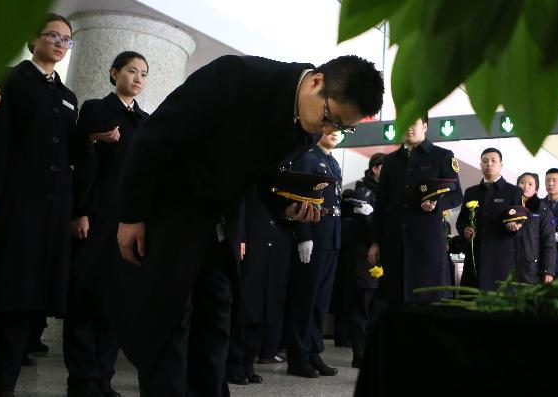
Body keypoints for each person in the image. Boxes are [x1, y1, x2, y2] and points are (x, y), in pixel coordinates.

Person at [111, 54, 384, 396]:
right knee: (169, 326)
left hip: (221, 226)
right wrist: (132, 214)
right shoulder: (235, 77)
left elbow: (261, 178)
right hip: (171, 215)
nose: (328, 131)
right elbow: (154, 137)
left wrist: (288, 207)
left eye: (342, 128)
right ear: (317, 81)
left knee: (215, 326)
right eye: (330, 118)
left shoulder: (305, 127)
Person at [0, 14, 78, 396]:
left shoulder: (68, 96)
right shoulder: (11, 79)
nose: (60, 43)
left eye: (66, 39)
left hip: (49, 215)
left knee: (26, 306)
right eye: (53, 35)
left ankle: (5, 388)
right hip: (11, 206)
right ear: (34, 38)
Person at [64, 51, 150, 397]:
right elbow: (85, 164)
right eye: (131, 71)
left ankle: (104, 377)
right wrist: (81, 210)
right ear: (114, 73)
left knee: (114, 302)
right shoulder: (97, 109)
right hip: (97, 216)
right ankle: (82, 380)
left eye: (143, 73)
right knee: (85, 298)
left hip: (126, 223)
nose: (138, 78)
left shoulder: (144, 121)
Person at [367, 116, 462, 306]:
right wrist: (375, 242)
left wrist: (436, 204)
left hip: (427, 242)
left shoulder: (442, 156)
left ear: (425, 126)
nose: (408, 127)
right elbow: (381, 204)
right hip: (394, 240)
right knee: (393, 299)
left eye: (414, 122)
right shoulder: (391, 160)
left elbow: (456, 195)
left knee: (427, 299)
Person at [283, 131, 343, 379]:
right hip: (315, 236)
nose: (335, 133)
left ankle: (313, 351)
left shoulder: (332, 161)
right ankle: (298, 356)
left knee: (320, 301)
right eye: (330, 127)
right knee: (305, 299)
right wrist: (304, 235)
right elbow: (301, 198)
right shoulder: (308, 158)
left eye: (340, 129)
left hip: (331, 237)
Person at [225, 184, 290, 385]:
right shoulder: (252, 174)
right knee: (246, 306)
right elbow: (240, 204)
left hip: (276, 244)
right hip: (251, 243)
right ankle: (234, 364)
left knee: (265, 307)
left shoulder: (282, 175)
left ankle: (248, 363)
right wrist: (239, 237)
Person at [336, 152, 383, 368]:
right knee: (362, 306)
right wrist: (379, 239)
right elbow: (366, 224)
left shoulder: (387, 191)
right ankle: (359, 352)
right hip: (365, 258)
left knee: (377, 308)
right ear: (375, 168)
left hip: (381, 259)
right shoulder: (362, 192)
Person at [456, 148, 525, 289]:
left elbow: (522, 222)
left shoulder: (514, 191)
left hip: (500, 257)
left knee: (499, 298)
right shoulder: (471, 192)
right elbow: (461, 220)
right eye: (485, 161)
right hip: (475, 258)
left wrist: (513, 228)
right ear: (480, 164)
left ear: (501, 165)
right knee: (471, 297)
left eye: (494, 161)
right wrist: (464, 230)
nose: (489, 164)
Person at [514, 172, 556, 284]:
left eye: (530, 184)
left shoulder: (543, 210)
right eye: (522, 182)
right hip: (508, 264)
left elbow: (549, 242)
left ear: (536, 190)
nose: (525, 186)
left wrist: (548, 271)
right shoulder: (509, 207)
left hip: (532, 268)